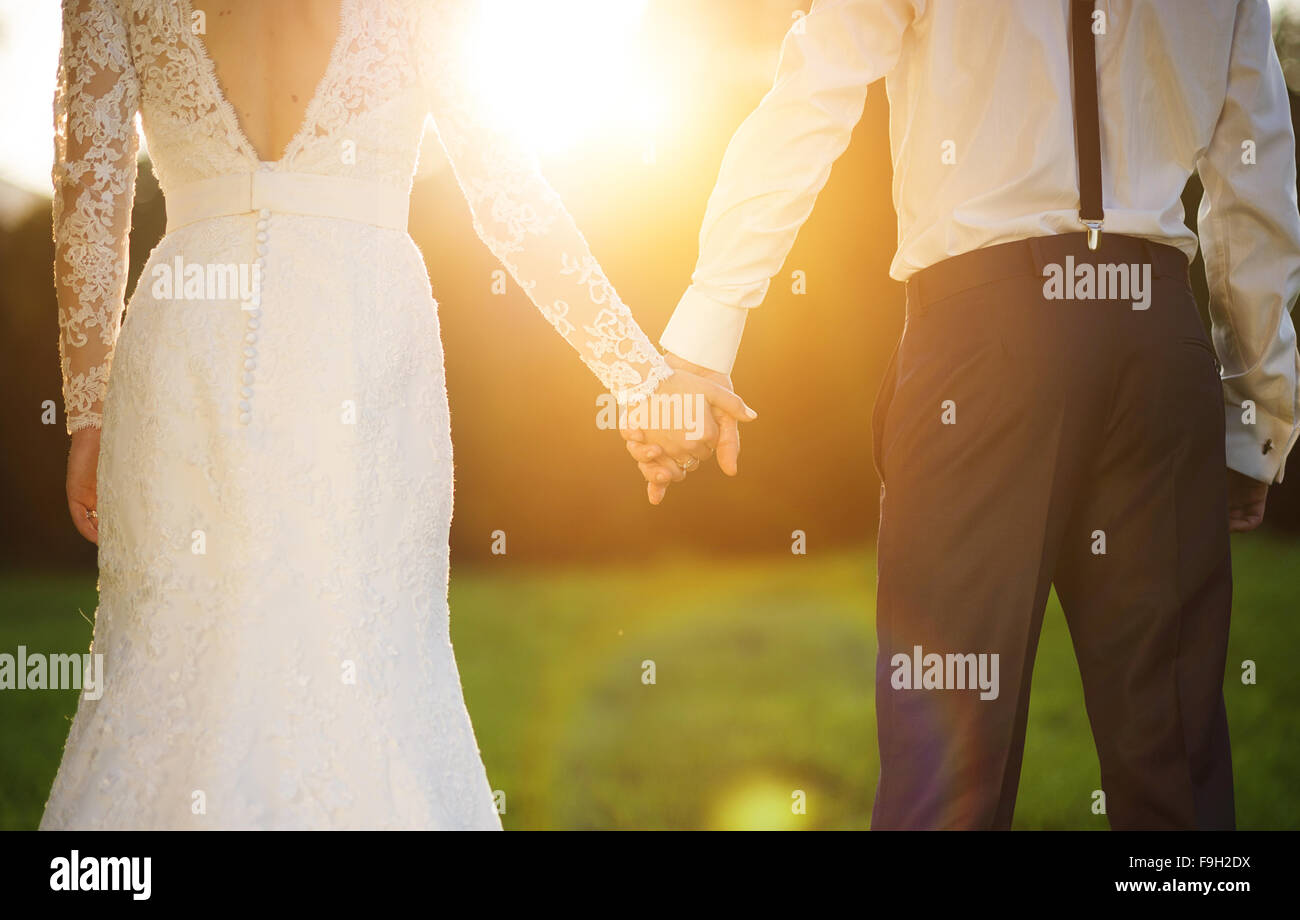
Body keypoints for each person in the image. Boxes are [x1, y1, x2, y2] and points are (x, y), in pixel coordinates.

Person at [47, 0, 751, 829]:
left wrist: (89, 411)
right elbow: (508, 196)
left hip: (187, 343)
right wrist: (641, 378)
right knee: (368, 661)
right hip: (357, 333)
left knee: (169, 663)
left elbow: (90, 186)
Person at [626, 0, 1300, 829]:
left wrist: (704, 336)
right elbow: (1256, 174)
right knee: (1178, 774)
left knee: (948, 763)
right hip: (1157, 337)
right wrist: (1256, 418)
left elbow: (815, 93)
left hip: (985, 345)